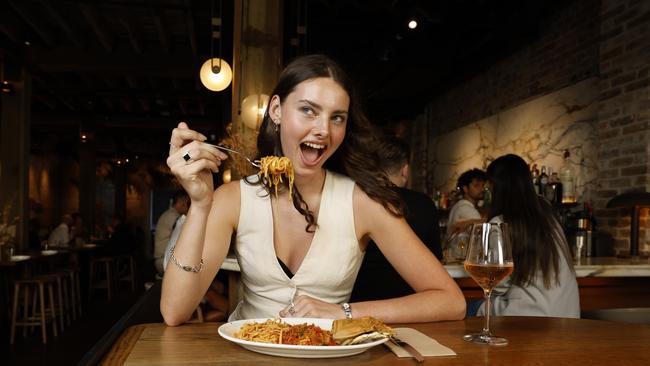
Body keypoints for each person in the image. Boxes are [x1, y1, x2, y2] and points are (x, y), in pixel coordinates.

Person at [162, 54, 465, 325]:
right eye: (308, 110)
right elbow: (175, 311)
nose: (323, 129)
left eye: (337, 118)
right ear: (277, 110)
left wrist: (344, 313)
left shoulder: (362, 202)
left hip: (327, 355)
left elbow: (450, 301)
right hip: (248, 355)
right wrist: (200, 204)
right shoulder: (233, 198)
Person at [471, 154, 580, 318]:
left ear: (497, 187)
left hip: (527, 317)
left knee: (463, 307)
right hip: (568, 315)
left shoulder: (499, 224)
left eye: (490, 185)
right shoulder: (548, 214)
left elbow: (497, 285)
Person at [351, 136, 442, 301]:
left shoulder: (355, 202)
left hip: (358, 306)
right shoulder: (423, 204)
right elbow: (437, 261)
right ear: (405, 170)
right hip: (412, 308)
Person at [154, 190, 190, 275]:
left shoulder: (169, 214)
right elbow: (186, 234)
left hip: (162, 259)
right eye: (187, 204)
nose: (188, 207)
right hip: (163, 260)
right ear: (182, 203)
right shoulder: (174, 217)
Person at [446, 168, 486, 235]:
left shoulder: (459, 205)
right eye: (476, 185)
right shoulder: (466, 208)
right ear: (465, 188)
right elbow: (482, 235)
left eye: (483, 185)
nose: (482, 189)